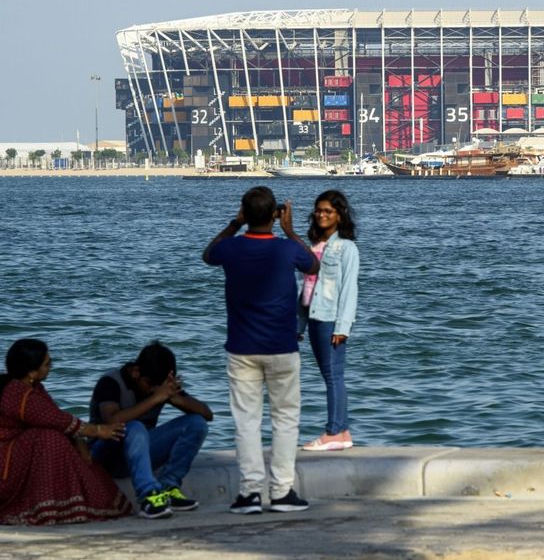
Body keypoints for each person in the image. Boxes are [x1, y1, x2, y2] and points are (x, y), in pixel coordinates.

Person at [203, 186, 319, 515]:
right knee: (285, 421)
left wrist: (233, 224)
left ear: (244, 214)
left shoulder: (231, 248)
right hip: (282, 347)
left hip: (241, 349)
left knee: (246, 422)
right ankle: (281, 492)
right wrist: (290, 230)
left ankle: (250, 493)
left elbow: (207, 255)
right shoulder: (286, 250)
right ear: (274, 214)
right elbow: (313, 266)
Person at [0, 338, 132, 525]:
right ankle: (46, 507)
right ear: (31, 372)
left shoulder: (33, 387)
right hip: (6, 461)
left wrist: (79, 439)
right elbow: (55, 419)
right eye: (47, 363)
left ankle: (64, 506)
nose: (51, 366)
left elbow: (56, 416)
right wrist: (97, 430)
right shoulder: (18, 393)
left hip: (17, 452)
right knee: (49, 438)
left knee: (63, 438)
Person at [89, 341, 212, 519]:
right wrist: (155, 398)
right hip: (106, 454)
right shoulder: (110, 382)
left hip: (139, 453)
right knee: (135, 427)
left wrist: (176, 398)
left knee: (196, 423)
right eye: (149, 384)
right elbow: (112, 420)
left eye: (158, 386)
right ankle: (148, 496)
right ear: (136, 372)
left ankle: (169, 486)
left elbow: (207, 414)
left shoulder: (159, 386)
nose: (152, 389)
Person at [298, 189, 360, 452]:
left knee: (333, 376)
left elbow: (349, 290)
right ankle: (342, 431)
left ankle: (333, 431)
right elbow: (307, 288)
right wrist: (298, 325)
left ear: (339, 215)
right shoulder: (315, 247)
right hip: (313, 318)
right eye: (319, 210)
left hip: (330, 320)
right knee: (330, 375)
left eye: (328, 211)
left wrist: (342, 327)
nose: (322, 215)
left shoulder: (346, 248)